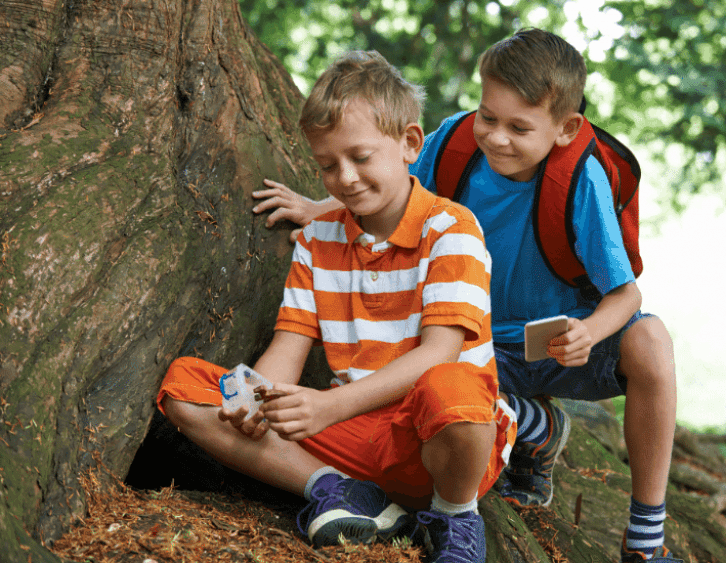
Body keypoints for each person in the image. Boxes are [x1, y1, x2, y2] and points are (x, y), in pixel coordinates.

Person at [254, 29, 679, 563]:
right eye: (488, 116)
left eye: (519, 127)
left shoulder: (580, 180)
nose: (497, 137)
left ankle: (644, 533)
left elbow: (626, 294)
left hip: (555, 343)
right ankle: (533, 426)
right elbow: (387, 183)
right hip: (470, 344)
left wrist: (589, 331)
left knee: (652, 341)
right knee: (445, 386)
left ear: (566, 129)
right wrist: (315, 207)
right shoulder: (456, 144)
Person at [161, 51, 513, 563]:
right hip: (354, 433)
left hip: (441, 443)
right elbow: (289, 346)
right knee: (186, 387)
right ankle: (338, 489)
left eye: (360, 157)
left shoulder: (451, 229)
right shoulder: (318, 238)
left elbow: (441, 352)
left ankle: (454, 518)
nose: (344, 177)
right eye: (327, 165)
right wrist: (256, 400)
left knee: (453, 386)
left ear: (410, 144)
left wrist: (328, 406)